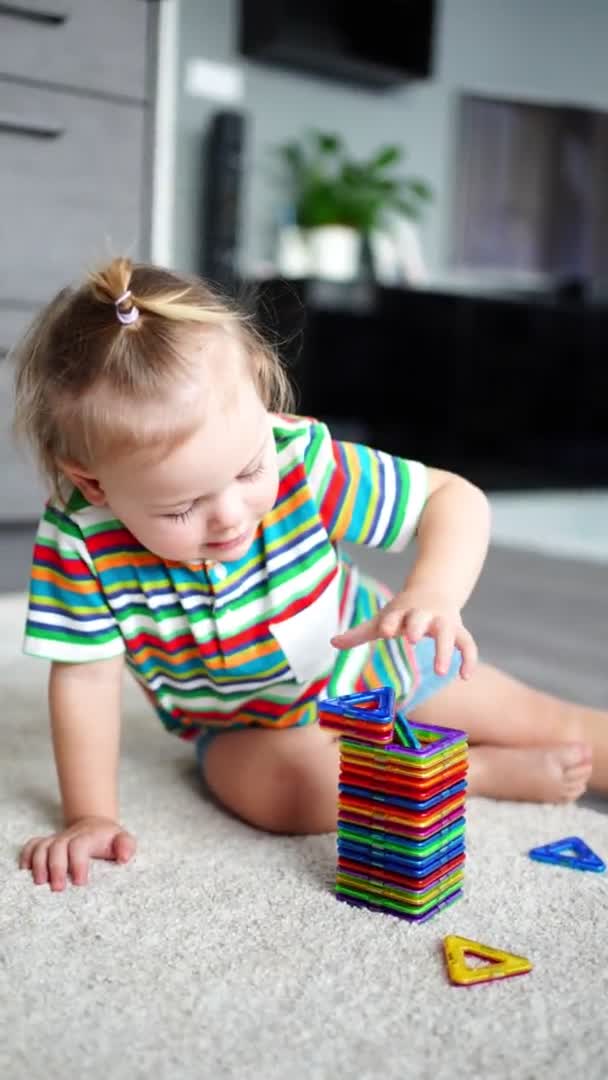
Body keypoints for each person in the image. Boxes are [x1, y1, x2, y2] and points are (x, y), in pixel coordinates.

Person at [12, 257, 607, 893]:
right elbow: (85, 676)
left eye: (246, 473)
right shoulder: (80, 538)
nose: (230, 517)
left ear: (263, 402)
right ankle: (476, 772)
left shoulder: (298, 457)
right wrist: (91, 815)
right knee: (296, 796)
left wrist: (433, 592)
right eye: (182, 507)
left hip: (385, 666)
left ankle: (441, 746)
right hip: (253, 726)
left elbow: (453, 499)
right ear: (93, 483)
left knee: (562, 728)